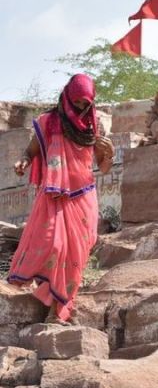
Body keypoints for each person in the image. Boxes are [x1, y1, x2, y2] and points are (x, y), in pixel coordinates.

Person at [7, 74, 114, 324]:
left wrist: (108, 154)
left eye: (84, 103)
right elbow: (31, 150)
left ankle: (57, 310)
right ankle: (51, 300)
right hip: (54, 195)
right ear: (66, 96)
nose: (80, 107)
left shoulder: (93, 125)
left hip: (83, 196)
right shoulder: (48, 121)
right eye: (76, 102)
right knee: (53, 246)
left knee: (76, 254)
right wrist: (23, 160)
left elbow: (104, 167)